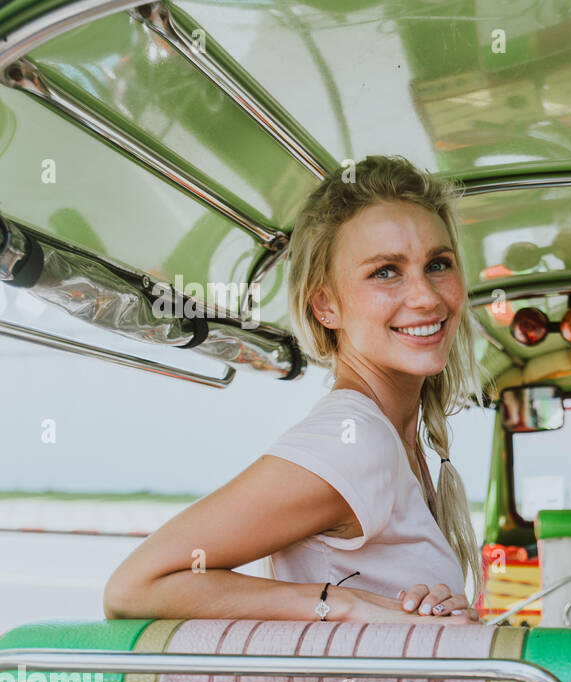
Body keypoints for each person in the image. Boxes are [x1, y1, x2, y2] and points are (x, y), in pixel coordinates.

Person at [104, 155, 482, 624]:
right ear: (325, 305)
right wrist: (346, 604)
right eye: (385, 271)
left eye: (438, 264)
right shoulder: (355, 442)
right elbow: (135, 587)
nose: (426, 296)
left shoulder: (392, 438)